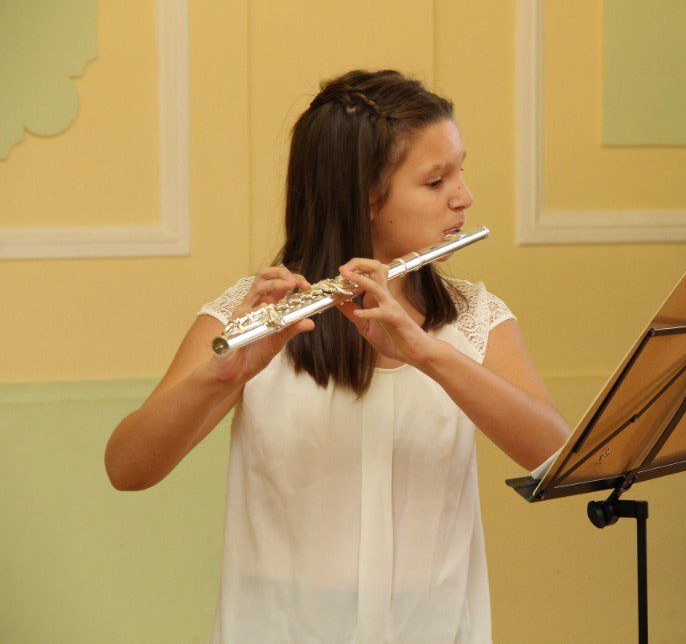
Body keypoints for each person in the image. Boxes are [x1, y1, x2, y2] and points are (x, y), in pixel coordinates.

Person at [104, 69, 571, 643]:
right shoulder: (252, 312)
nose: (464, 196)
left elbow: (555, 454)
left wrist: (428, 353)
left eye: (460, 170)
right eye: (435, 181)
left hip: (431, 627)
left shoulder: (473, 315)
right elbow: (128, 470)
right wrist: (220, 377)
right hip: (281, 627)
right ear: (365, 198)